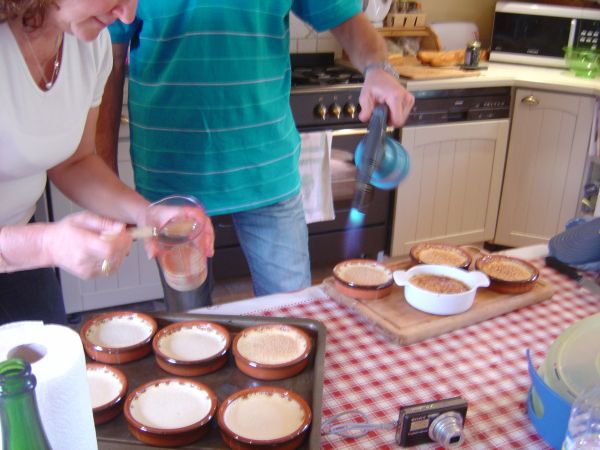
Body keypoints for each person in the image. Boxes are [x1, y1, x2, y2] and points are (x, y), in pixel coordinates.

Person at [96, 1, 415, 311]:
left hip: (268, 170)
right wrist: (107, 184)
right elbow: (108, 63)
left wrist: (378, 67)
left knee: (291, 315)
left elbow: (345, 17)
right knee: (189, 324)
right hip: (172, 178)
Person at [0, 0, 215, 325]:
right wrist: (45, 245)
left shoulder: (89, 45)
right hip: (23, 246)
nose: (127, 15)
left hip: (21, 246)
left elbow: (75, 161)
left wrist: (146, 213)